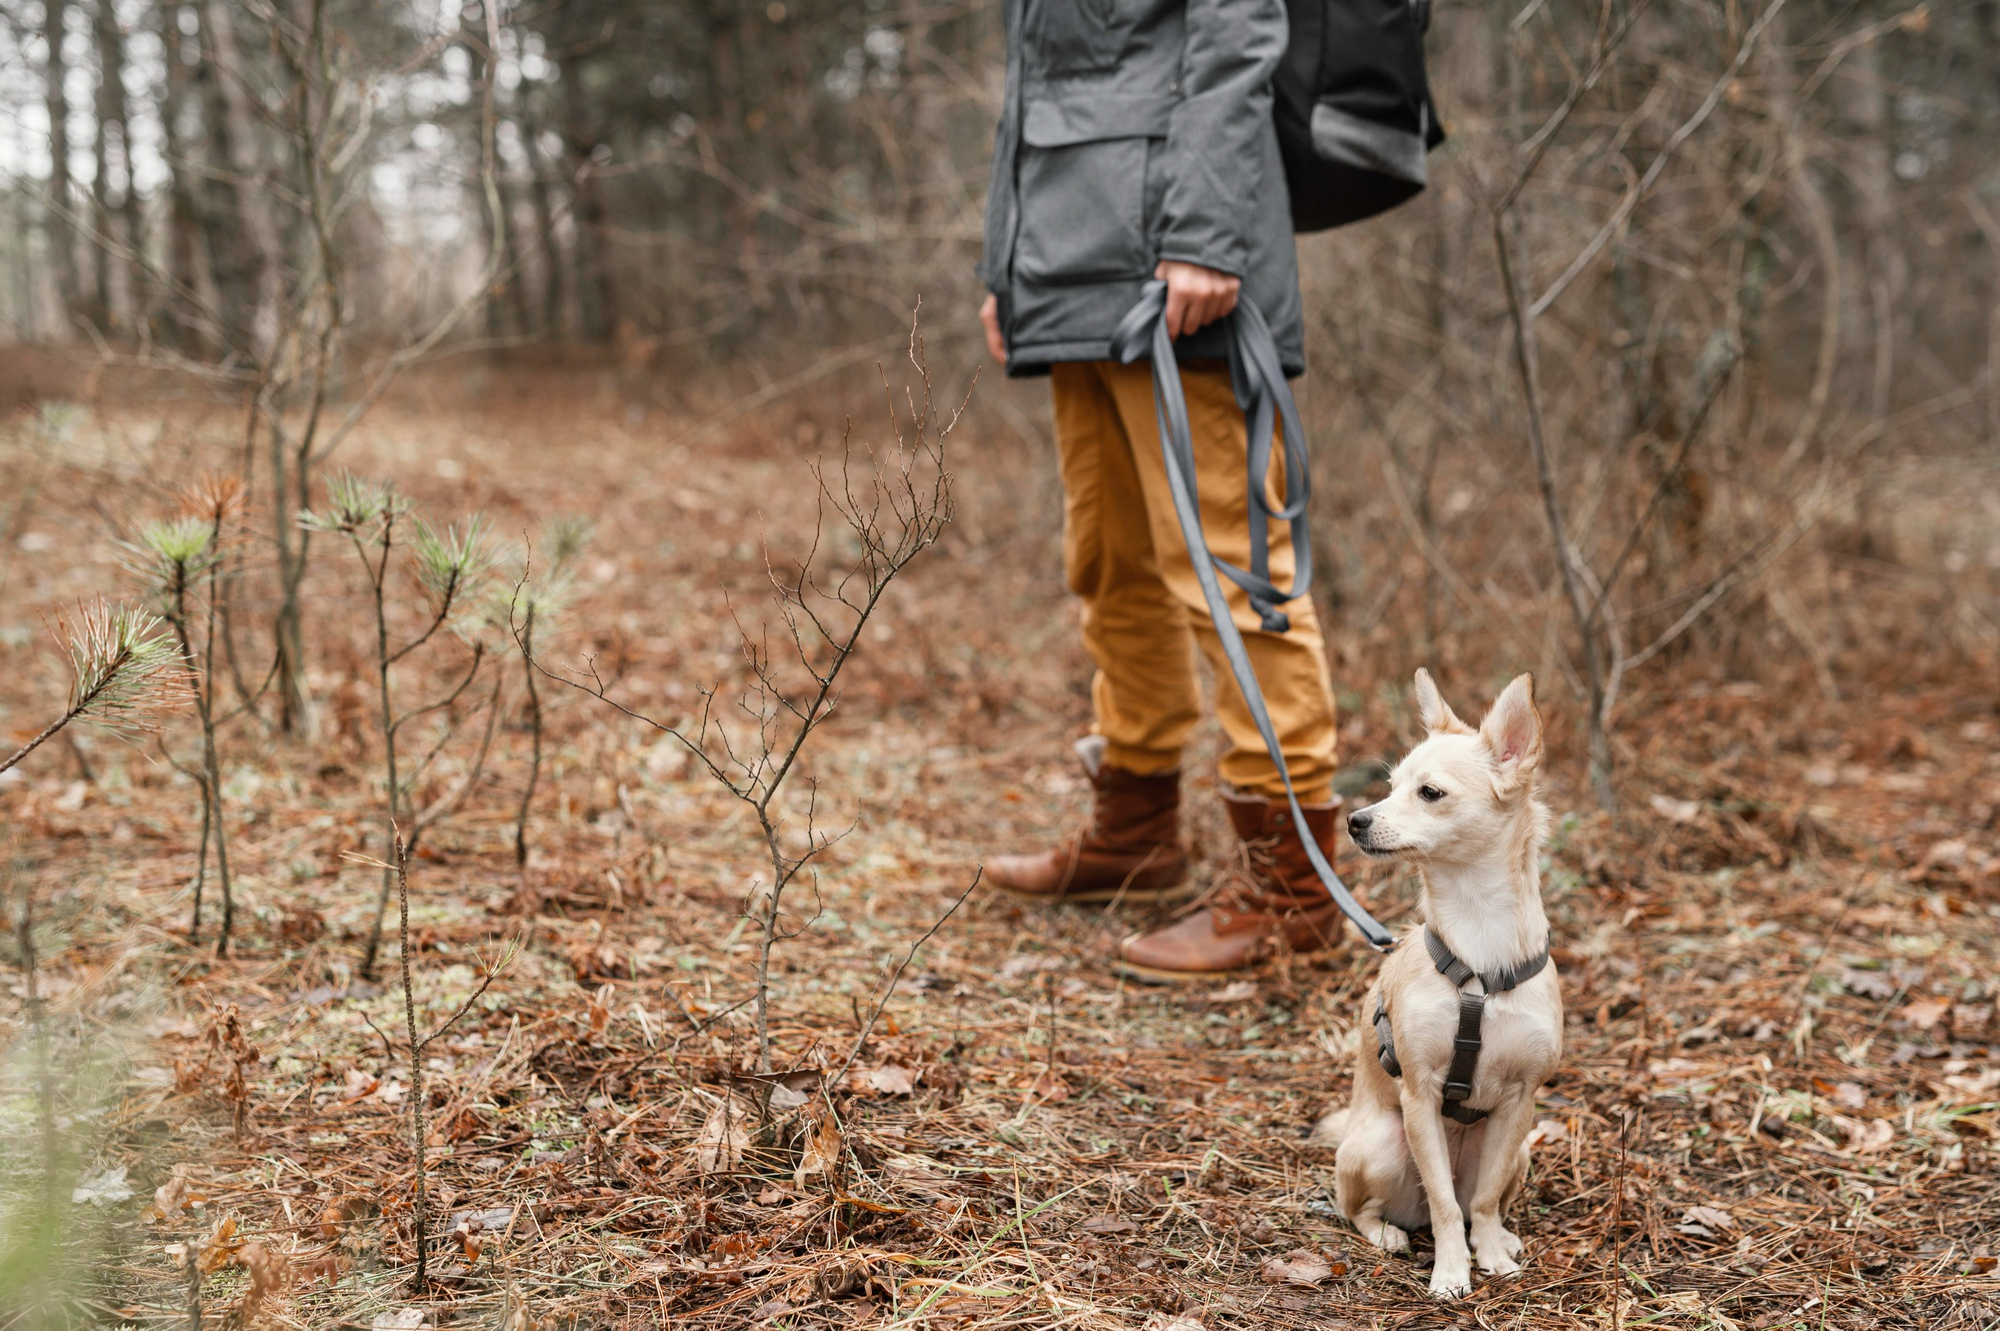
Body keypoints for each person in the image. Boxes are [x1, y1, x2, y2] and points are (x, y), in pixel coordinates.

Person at [975, 0, 1349, 981]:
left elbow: (1236, 40)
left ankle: (1292, 888)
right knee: (1109, 560)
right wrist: (1002, 263)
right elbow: (1032, 84)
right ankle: (1134, 832)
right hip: (1063, 264)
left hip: (1174, 259)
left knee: (1232, 570)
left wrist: (1206, 232)